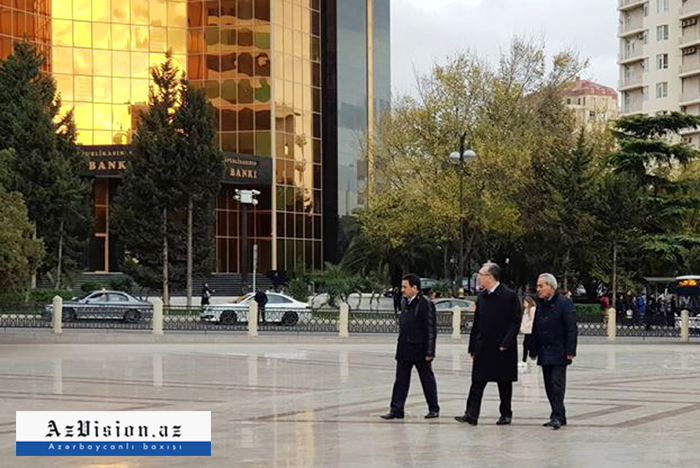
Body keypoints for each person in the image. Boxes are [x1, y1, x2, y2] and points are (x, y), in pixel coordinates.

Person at [455, 262, 522, 426]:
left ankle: (506, 414)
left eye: (480, 275)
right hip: (483, 345)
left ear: (490, 277)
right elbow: (477, 323)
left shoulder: (509, 296)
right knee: (477, 381)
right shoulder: (482, 297)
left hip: (502, 346)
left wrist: (506, 342)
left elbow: (516, 322)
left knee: (504, 382)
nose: (478, 278)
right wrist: (472, 345)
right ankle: (471, 414)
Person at [381, 274, 439, 420]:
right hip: (404, 348)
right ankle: (396, 410)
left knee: (427, 380)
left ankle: (433, 408)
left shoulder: (426, 303)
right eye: (402, 287)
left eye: (405, 287)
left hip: (420, 349)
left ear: (415, 288)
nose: (402, 290)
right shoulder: (404, 302)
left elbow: (431, 329)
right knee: (400, 380)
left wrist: (430, 351)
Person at [530, 273, 578, 430]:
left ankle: (557, 416)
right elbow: (536, 328)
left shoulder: (565, 303)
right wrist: (533, 348)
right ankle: (558, 414)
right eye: (537, 286)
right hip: (544, 350)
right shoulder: (540, 304)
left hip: (559, 350)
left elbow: (571, 329)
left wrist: (571, 351)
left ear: (551, 287)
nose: (538, 289)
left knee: (557, 384)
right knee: (548, 385)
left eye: (541, 286)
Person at [520, 296, 537, 368]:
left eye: (525, 303)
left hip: (531, 330)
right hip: (527, 330)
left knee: (529, 345)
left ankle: (531, 357)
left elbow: (533, 320)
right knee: (526, 345)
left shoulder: (532, 309)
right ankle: (524, 359)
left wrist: (527, 326)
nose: (524, 304)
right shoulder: (526, 310)